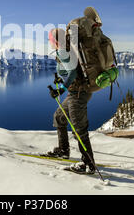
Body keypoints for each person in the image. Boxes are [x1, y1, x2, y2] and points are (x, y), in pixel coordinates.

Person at [47, 27, 97, 174]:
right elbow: (71, 70)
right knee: (59, 117)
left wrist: (60, 89)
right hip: (76, 92)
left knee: (79, 129)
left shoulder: (63, 50)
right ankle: (63, 150)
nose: (50, 42)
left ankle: (88, 164)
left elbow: (73, 72)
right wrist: (61, 79)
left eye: (50, 39)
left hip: (78, 94)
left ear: (55, 40)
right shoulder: (69, 48)